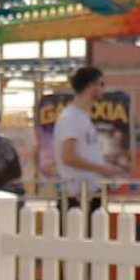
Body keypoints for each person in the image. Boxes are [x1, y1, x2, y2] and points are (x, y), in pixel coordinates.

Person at [49, 66, 121, 206]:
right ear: (91, 86)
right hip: (77, 194)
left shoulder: (82, 117)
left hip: (90, 191)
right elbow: (68, 157)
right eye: (100, 84)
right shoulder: (71, 117)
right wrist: (101, 169)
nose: (102, 89)